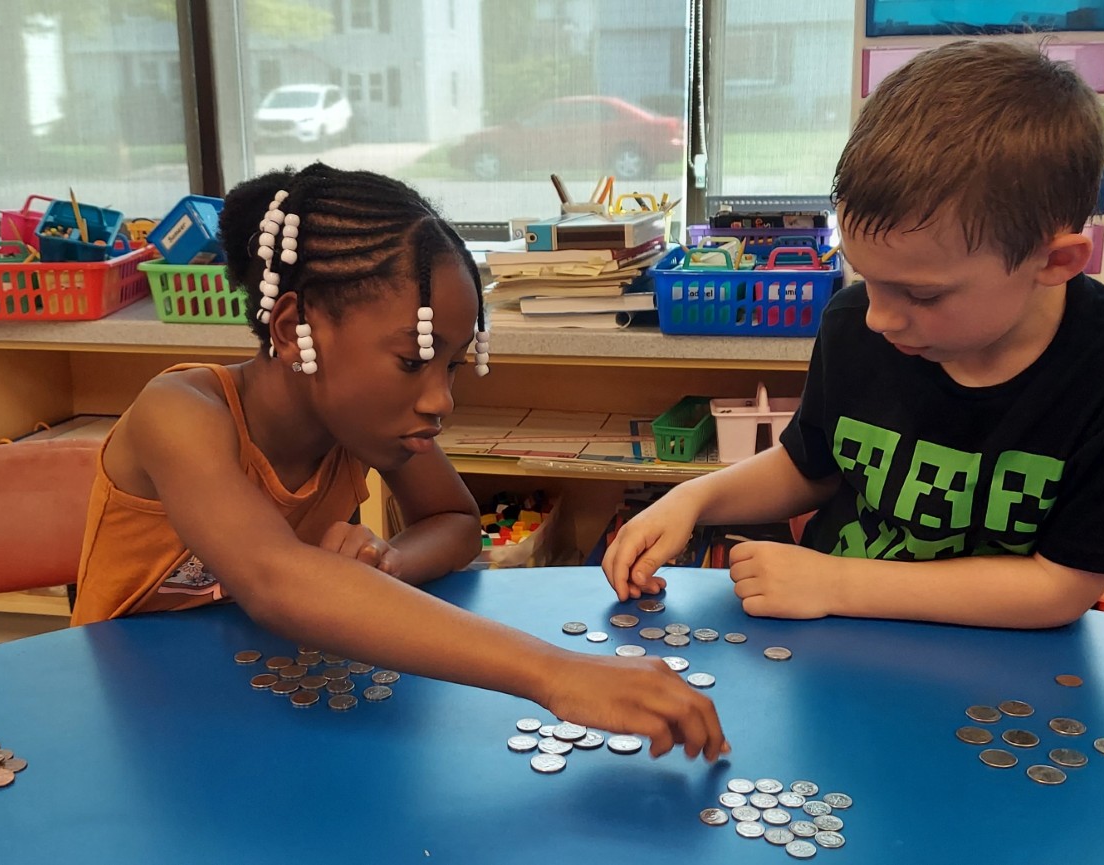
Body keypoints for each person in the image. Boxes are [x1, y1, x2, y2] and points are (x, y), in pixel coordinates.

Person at [73, 163, 726, 759]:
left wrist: (388, 562)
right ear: (292, 330)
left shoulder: (363, 419)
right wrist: (556, 672)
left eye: (451, 365)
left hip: (279, 709)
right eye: (413, 360)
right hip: (138, 729)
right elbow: (276, 581)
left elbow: (453, 519)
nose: (439, 399)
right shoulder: (179, 412)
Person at [604, 41, 1104, 629]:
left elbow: (1058, 588)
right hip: (834, 642)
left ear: (1057, 262)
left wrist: (835, 582)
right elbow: (811, 467)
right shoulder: (854, 323)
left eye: (922, 294)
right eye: (868, 278)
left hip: (999, 670)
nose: (879, 318)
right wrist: (693, 499)